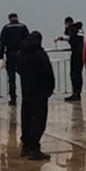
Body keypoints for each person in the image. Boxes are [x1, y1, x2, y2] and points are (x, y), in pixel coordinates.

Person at [18, 31, 55, 161]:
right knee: (39, 122)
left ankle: (25, 147)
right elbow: (48, 73)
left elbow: (18, 69)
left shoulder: (21, 53)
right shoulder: (40, 54)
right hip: (40, 94)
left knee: (26, 121)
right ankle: (35, 149)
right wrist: (49, 89)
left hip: (26, 93)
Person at [0, 13, 29, 106]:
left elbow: (2, 44)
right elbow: (28, 41)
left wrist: (1, 58)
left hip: (10, 56)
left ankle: (13, 99)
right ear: (17, 18)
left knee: (12, 79)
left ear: (9, 19)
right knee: (25, 78)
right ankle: (26, 96)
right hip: (22, 56)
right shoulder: (23, 27)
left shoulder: (6, 28)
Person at [55, 17, 85, 101]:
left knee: (74, 74)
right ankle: (78, 93)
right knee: (79, 74)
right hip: (82, 54)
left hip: (76, 54)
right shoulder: (80, 29)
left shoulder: (71, 28)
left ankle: (75, 93)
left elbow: (70, 37)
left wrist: (60, 38)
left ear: (67, 23)